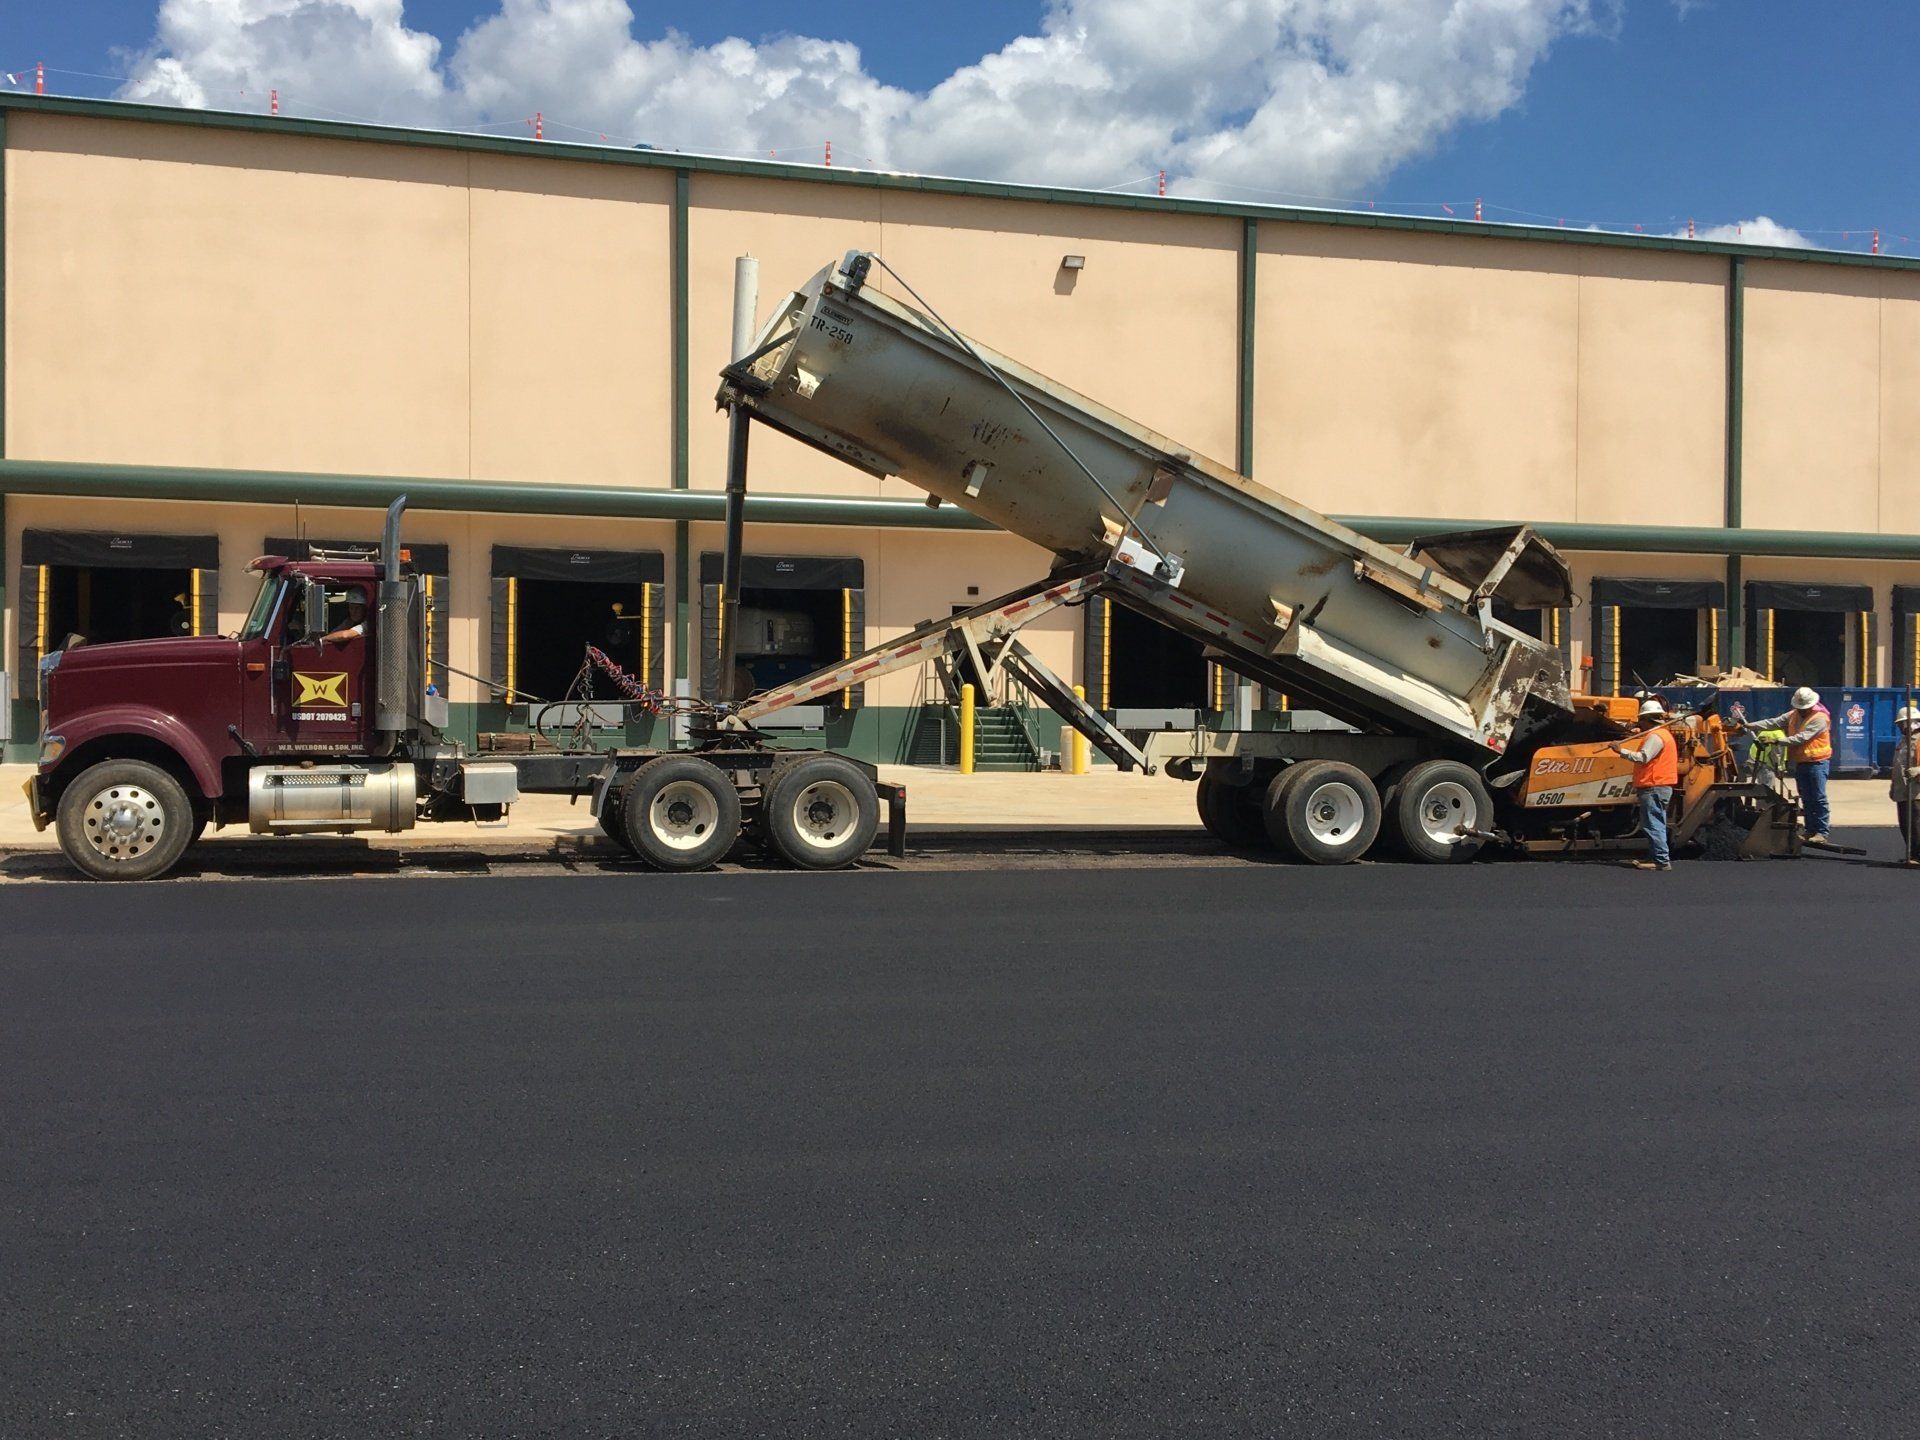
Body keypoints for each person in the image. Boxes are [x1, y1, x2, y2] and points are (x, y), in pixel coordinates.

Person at [1747, 685, 1832, 843]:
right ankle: (1810, 830)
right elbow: (1774, 722)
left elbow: (1802, 738)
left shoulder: (1819, 718)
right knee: (1806, 798)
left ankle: (1821, 832)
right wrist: (1749, 725)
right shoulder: (1794, 714)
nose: (1801, 710)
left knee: (1818, 798)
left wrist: (1777, 740)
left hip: (1817, 763)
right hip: (1802, 763)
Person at [1611, 696, 1677, 872]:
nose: (1639, 722)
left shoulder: (1655, 736)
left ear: (1648, 719)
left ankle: (1661, 861)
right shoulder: (1662, 734)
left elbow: (1643, 757)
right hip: (1658, 786)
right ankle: (1656, 857)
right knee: (1656, 823)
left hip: (1654, 786)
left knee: (1652, 824)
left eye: (1641, 719)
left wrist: (1620, 751)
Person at [1892, 705, 1920, 856]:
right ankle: (1912, 854)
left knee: (1916, 825)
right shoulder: (1904, 741)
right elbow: (1898, 764)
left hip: (1916, 791)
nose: (1899, 727)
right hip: (1902, 791)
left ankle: (1918, 855)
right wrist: (1893, 786)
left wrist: (1918, 770)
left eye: (1901, 724)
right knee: (1905, 825)